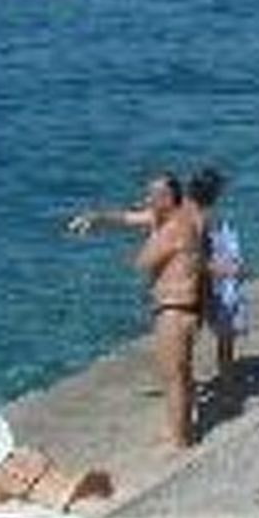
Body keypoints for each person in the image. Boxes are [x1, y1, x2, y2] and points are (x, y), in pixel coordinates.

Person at [68, 173, 204, 450]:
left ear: (167, 199)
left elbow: (142, 263)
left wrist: (151, 230)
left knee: (173, 378)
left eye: (152, 195)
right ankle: (181, 429)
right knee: (182, 375)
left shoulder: (173, 228)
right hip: (184, 309)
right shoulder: (173, 219)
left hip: (173, 311)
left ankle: (180, 442)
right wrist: (96, 217)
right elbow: (128, 218)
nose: (145, 200)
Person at [189, 168, 248, 392]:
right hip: (215, 287)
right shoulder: (204, 220)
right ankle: (227, 383)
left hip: (207, 287)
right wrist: (229, 271)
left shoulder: (195, 216)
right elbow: (197, 259)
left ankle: (211, 383)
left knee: (192, 342)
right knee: (225, 340)